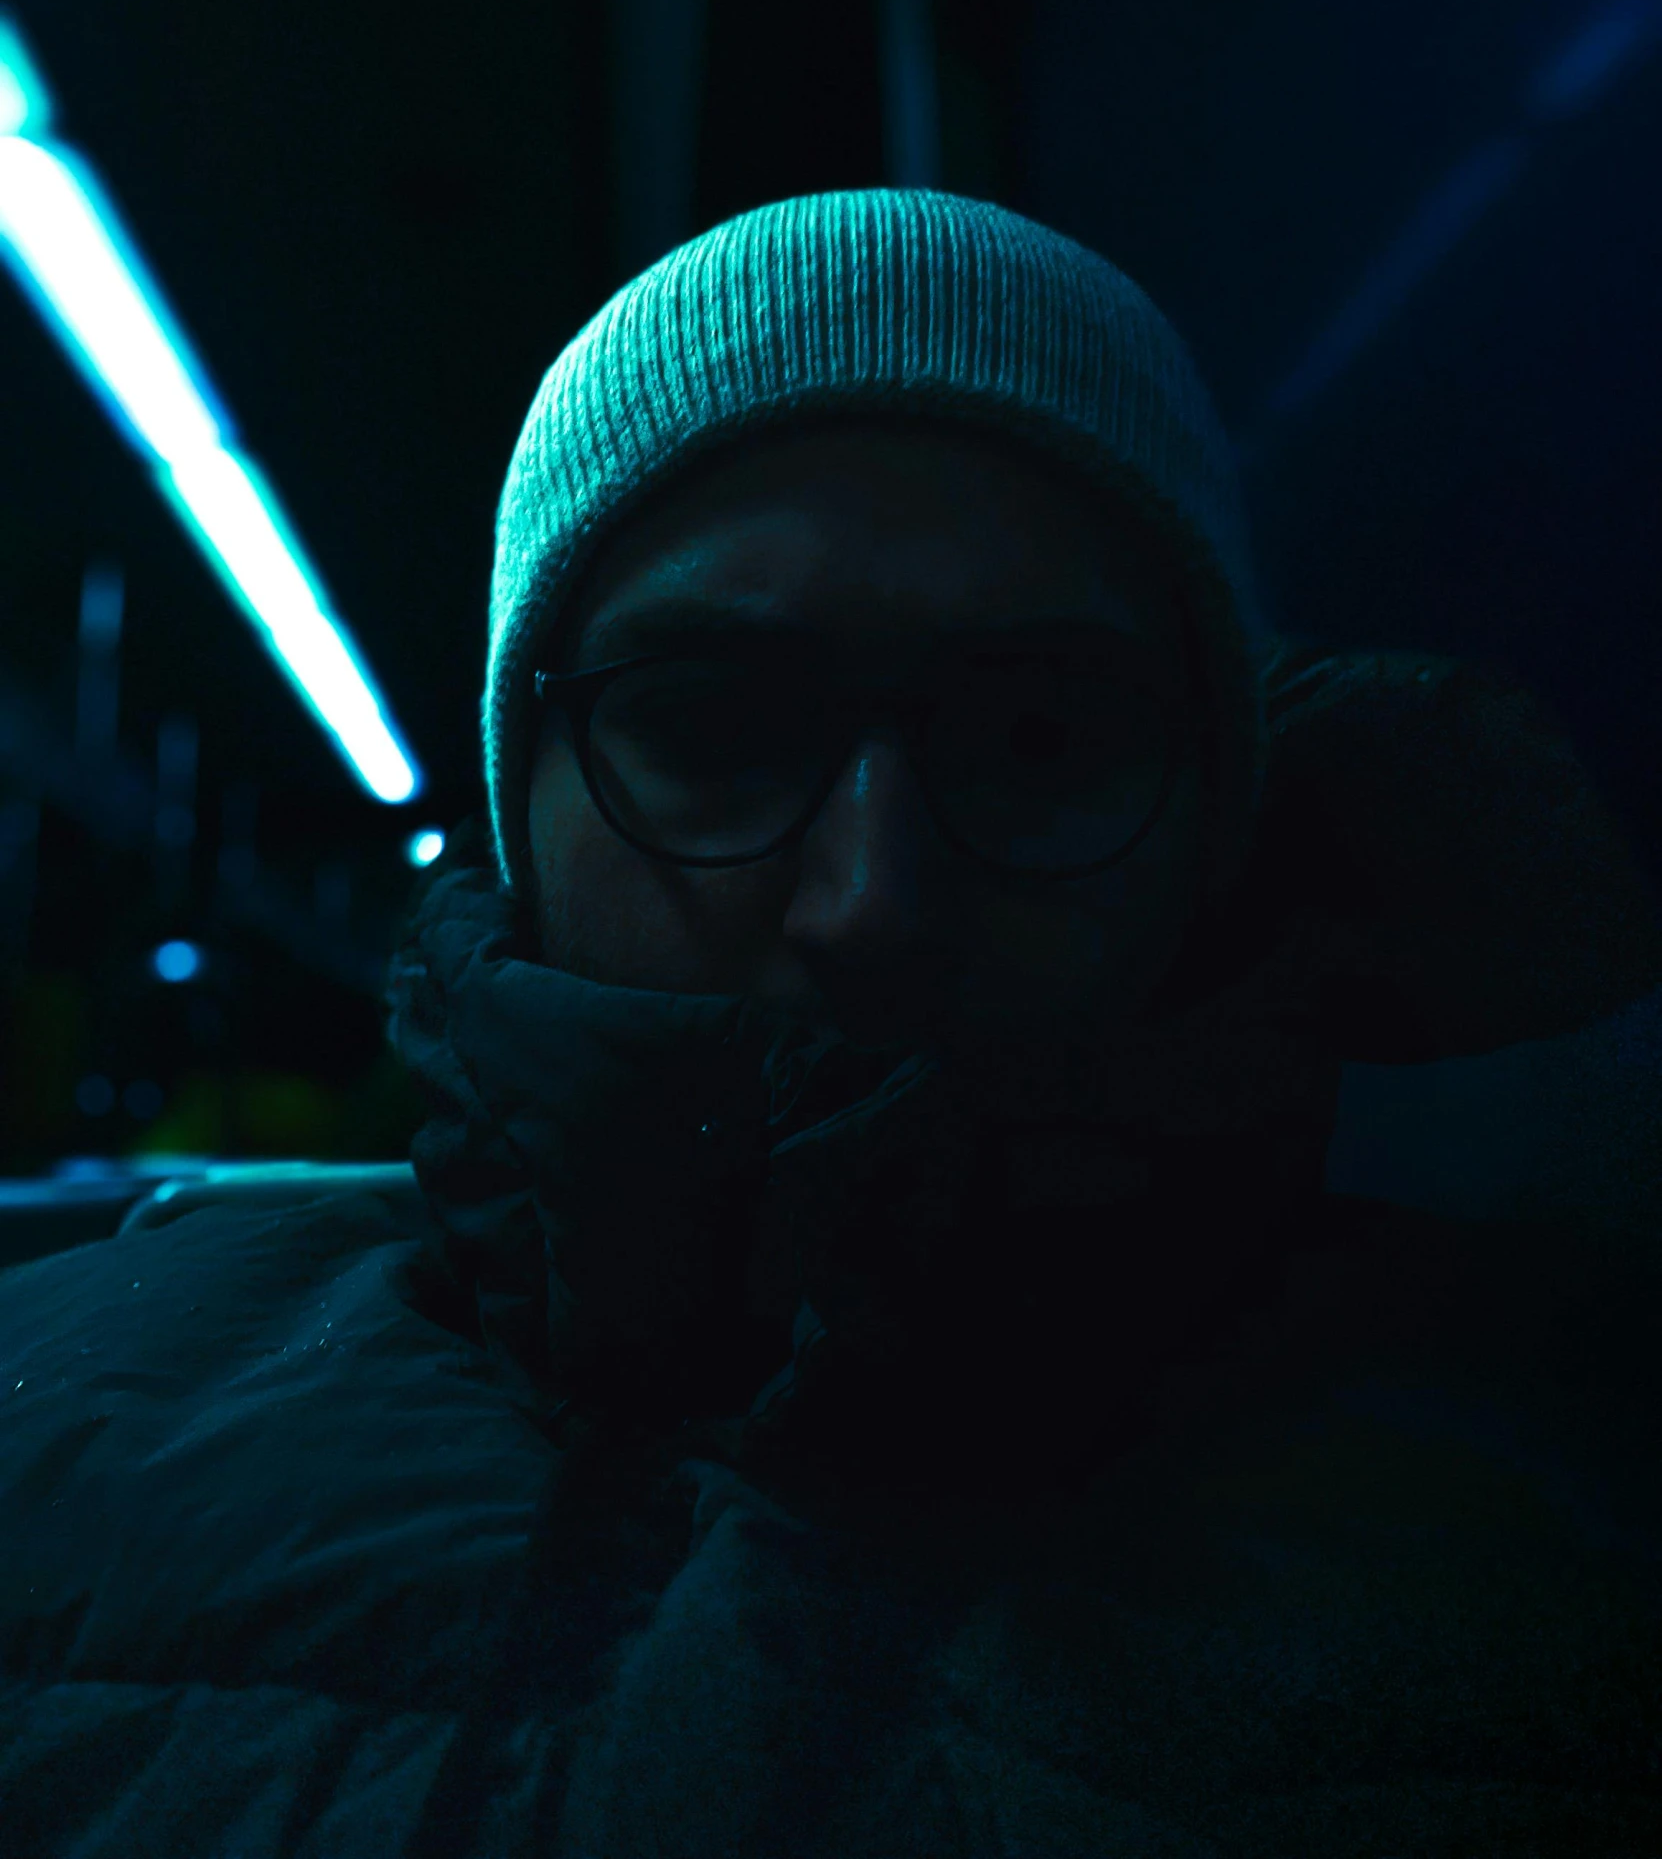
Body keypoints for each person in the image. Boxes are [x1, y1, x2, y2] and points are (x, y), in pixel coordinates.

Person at [2, 188, 1659, 1854]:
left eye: (1032, 742)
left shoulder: (1587, 1508)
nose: (872, 898)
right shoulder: (42, 1421)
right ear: (526, 794)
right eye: (712, 726)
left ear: (1214, 819)